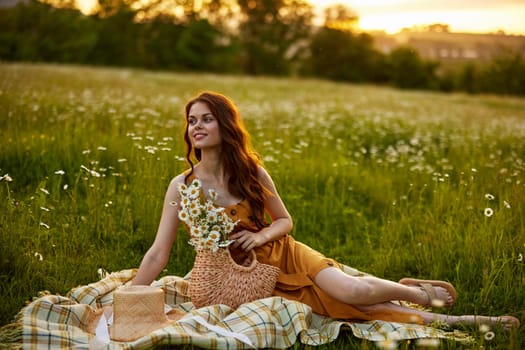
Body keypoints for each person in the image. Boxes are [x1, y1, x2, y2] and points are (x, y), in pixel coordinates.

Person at [132, 91, 520, 330]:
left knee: (352, 290)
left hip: (286, 255)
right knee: (358, 310)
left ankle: (417, 296)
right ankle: (462, 323)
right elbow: (157, 253)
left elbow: (285, 221)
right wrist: (130, 296)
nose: (196, 126)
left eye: (206, 119)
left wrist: (260, 235)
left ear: (225, 126)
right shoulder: (181, 187)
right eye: (191, 120)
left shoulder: (252, 172)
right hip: (246, 281)